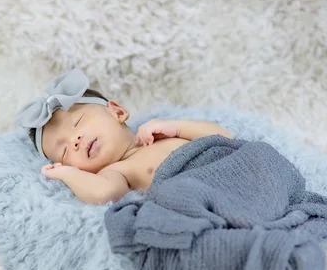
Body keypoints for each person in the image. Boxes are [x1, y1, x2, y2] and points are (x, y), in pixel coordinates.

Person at [16, 69, 232, 204]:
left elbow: (223, 139)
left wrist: (175, 127)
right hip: (202, 204)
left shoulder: (161, 134)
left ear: (117, 112)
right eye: (63, 150)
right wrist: (66, 174)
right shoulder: (115, 172)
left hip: (235, 175)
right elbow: (103, 194)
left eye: (78, 122)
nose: (75, 141)